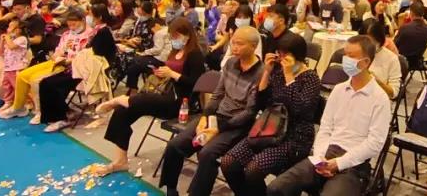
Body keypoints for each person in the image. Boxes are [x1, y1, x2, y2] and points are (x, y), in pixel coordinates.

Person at [267, 35, 391, 196]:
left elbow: (374, 143)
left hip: (354, 163)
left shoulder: (379, 98)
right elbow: (325, 127)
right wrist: (320, 158)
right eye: (345, 54)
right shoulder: (339, 90)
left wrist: (338, 163)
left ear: (366, 62)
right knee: (276, 188)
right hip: (326, 153)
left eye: (351, 56)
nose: (346, 60)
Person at [155, 27, 263, 196]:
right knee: (176, 144)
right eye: (233, 42)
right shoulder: (230, 63)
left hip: (237, 125)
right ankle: (171, 188)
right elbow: (218, 94)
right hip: (218, 116)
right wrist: (205, 117)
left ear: (253, 46)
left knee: (207, 154)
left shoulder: (261, 74)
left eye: (240, 44)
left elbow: (249, 112)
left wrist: (218, 129)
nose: (234, 47)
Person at [94, 17, 207, 172]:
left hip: (181, 102)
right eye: (172, 36)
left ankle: (121, 99)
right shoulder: (175, 51)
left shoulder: (194, 54)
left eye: (176, 36)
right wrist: (162, 73)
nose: (173, 39)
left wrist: (173, 74)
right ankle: (121, 160)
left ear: (187, 35)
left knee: (142, 99)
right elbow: (170, 73)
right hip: (167, 92)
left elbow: (196, 82)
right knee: (121, 112)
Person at [219, 34, 322, 196]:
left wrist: (290, 77)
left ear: (298, 56)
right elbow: (260, 103)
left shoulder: (311, 78)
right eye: (279, 53)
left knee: (253, 170)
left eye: (286, 54)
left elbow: (299, 109)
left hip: (295, 136)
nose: (281, 58)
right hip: (269, 128)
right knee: (228, 163)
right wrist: (266, 72)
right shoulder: (278, 72)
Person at [0, 9, 93, 123]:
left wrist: (68, 60)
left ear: (83, 20)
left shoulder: (90, 35)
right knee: (21, 75)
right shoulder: (66, 34)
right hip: (57, 61)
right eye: (69, 25)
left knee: (35, 80)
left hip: (73, 66)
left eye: (74, 24)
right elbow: (59, 49)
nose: (71, 27)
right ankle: (18, 107)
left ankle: (40, 111)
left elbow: (86, 55)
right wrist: (57, 56)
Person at [393, 2, 427, 71]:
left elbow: (395, 44)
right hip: (418, 60)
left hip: (403, 61)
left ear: (411, 13)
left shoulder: (404, 28)